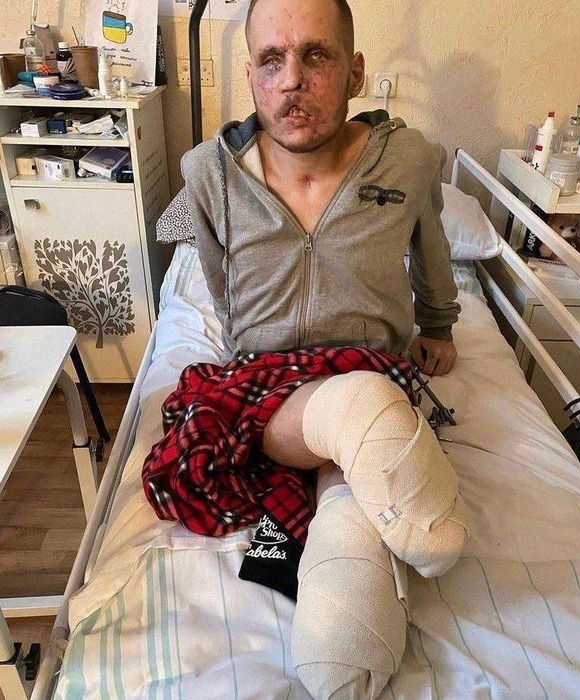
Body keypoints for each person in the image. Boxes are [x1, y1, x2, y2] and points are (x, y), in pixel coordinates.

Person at [149, 0, 469, 696]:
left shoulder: (409, 160)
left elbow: (433, 251)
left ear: (354, 71)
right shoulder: (207, 173)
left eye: (316, 55)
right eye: (272, 60)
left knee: (355, 452)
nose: (292, 79)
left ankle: (342, 646)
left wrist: (439, 325)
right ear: (251, 77)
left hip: (372, 364)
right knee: (359, 417)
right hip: (267, 383)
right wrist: (246, 346)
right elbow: (218, 280)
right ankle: (366, 451)